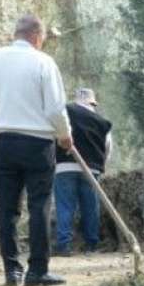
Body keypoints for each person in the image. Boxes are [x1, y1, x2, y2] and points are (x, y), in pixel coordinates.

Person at [0, 14, 72, 286]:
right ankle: (37, 271)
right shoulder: (43, 61)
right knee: (39, 207)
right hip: (38, 143)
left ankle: (11, 270)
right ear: (37, 36)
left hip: (5, 140)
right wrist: (65, 134)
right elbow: (55, 108)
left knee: (7, 209)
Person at [54, 87, 113, 256]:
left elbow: (54, 134)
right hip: (91, 169)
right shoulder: (103, 122)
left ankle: (64, 245)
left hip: (64, 165)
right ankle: (91, 245)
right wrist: (100, 166)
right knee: (90, 207)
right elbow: (108, 148)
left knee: (65, 206)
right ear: (92, 103)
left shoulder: (64, 111)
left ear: (76, 100)